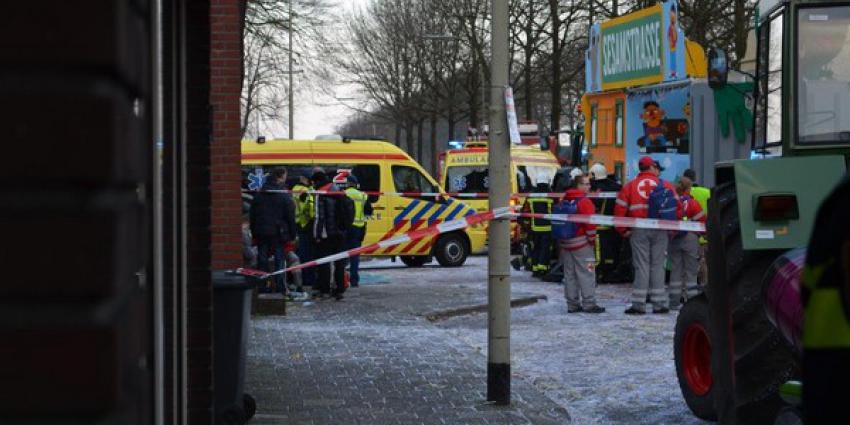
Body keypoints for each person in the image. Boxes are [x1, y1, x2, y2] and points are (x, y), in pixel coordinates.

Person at [614, 156, 679, 314]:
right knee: (658, 265)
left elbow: (620, 211)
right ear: (652, 167)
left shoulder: (630, 186)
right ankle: (659, 303)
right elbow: (677, 208)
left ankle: (639, 304)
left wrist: (623, 230)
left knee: (641, 265)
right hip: (661, 228)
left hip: (639, 228)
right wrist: (672, 230)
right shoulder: (666, 185)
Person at [554, 175, 605, 313]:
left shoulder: (565, 198)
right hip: (582, 244)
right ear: (578, 185)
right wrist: (592, 240)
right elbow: (590, 224)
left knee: (569, 274)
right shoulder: (584, 202)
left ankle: (572, 304)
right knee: (587, 272)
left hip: (566, 244)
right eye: (586, 184)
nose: (589, 187)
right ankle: (589, 303)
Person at [250, 168, 297, 294]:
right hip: (278, 233)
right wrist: (293, 234)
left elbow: (252, 216)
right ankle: (280, 286)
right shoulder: (283, 195)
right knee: (279, 260)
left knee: (262, 259)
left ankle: (262, 286)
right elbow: (290, 216)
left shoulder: (259, 195)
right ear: (280, 177)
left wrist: (254, 232)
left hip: (261, 233)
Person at [311, 170, 354, 300]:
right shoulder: (337, 190)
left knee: (324, 262)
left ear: (316, 181)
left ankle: (324, 289)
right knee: (339, 262)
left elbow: (320, 217)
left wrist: (316, 235)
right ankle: (339, 289)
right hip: (340, 233)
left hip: (327, 234)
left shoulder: (321, 193)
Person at [588, 163, 630, 283]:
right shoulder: (616, 187)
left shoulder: (596, 189)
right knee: (613, 251)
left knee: (599, 254)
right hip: (615, 226)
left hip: (599, 227)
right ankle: (611, 273)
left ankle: (599, 274)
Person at [668, 176, 705, 310]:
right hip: (690, 237)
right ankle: (692, 300)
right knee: (691, 271)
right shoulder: (692, 203)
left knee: (676, 270)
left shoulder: (671, 202)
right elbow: (702, 221)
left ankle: (674, 301)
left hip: (674, 238)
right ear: (689, 188)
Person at [682, 169, 710, 285]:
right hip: (704, 233)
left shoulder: (684, 192)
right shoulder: (707, 192)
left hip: (688, 234)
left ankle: (686, 288)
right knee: (704, 261)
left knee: (687, 263)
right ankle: (704, 286)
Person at [344, 174, 372, 288]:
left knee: (342, 255)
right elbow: (369, 212)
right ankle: (354, 281)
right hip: (359, 228)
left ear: (348, 183)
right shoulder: (363, 196)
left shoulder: (344, 194)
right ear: (356, 184)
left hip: (346, 228)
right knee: (355, 256)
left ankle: (341, 280)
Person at [524, 178, 554, 277]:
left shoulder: (531, 196)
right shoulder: (551, 196)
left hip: (534, 228)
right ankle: (543, 268)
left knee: (535, 248)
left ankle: (535, 269)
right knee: (545, 249)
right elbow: (555, 211)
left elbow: (525, 211)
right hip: (548, 228)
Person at [292, 173, 316, 288]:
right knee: (308, 254)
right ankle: (308, 279)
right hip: (306, 224)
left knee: (300, 253)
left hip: (297, 223)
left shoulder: (294, 189)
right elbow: (310, 209)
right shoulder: (306, 191)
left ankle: (302, 279)